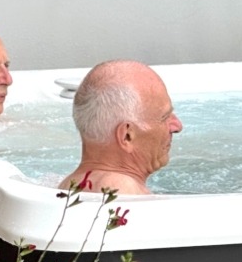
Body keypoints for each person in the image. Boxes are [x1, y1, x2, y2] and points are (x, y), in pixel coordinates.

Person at [59, 59, 183, 195]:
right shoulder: (121, 190)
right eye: (164, 117)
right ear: (127, 136)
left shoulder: (67, 184)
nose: (177, 126)